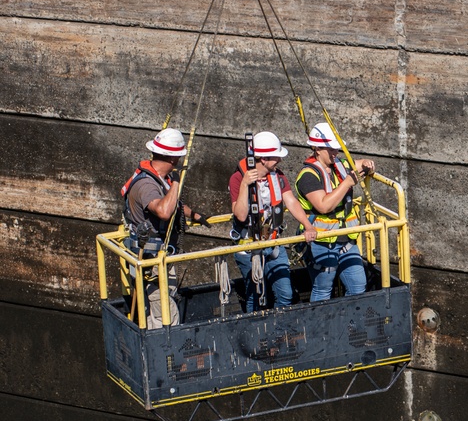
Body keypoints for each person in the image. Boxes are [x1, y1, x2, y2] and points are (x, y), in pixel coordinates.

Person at [120, 128, 209, 328]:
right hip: (151, 262)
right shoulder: (146, 185)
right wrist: (177, 182)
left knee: (159, 309)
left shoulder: (160, 179)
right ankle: (167, 353)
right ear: (174, 159)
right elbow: (163, 211)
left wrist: (194, 215)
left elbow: (173, 204)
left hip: (161, 258)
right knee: (166, 315)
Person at [230, 131, 317, 311]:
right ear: (263, 158)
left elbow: (290, 201)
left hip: (274, 243)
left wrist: (308, 225)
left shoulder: (277, 176)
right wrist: (246, 185)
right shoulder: (238, 178)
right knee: (254, 297)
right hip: (248, 247)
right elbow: (239, 215)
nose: (280, 160)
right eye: (276, 157)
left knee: (285, 293)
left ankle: (278, 332)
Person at [294, 122, 374, 301]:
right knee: (323, 289)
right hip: (321, 241)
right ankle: (321, 327)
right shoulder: (308, 176)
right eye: (330, 149)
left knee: (358, 285)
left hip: (346, 238)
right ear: (316, 148)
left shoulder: (339, 163)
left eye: (336, 149)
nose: (335, 153)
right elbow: (323, 206)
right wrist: (347, 183)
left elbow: (357, 163)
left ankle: (349, 326)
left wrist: (367, 164)